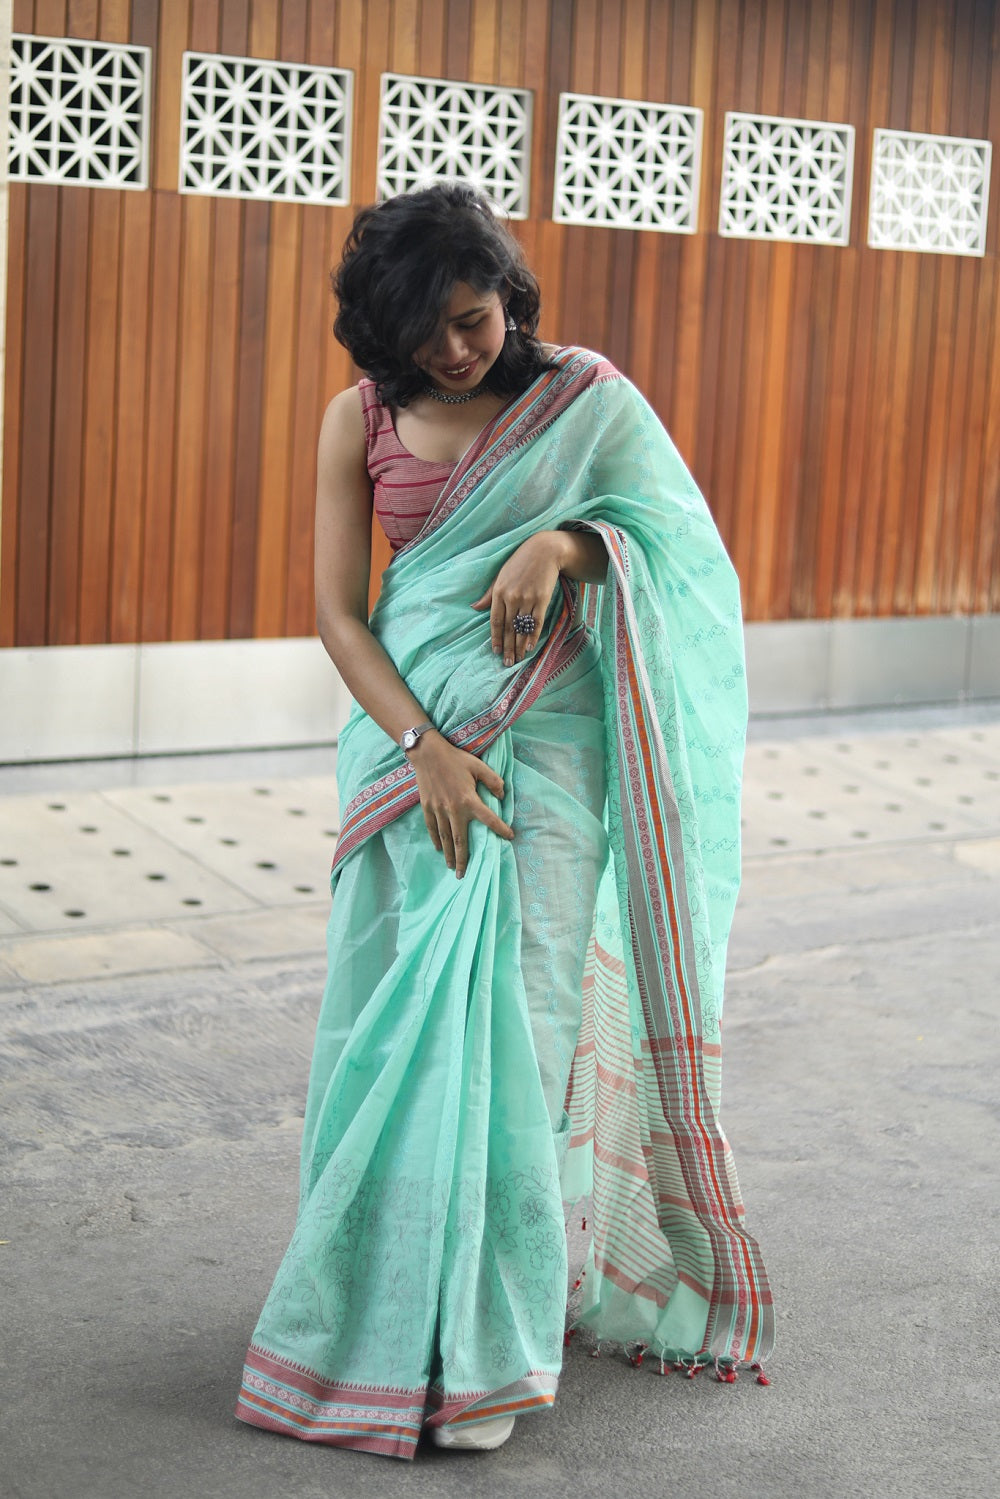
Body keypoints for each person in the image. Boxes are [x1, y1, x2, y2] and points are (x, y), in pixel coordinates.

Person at [235, 184, 774, 1461]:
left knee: (518, 1043)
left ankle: (491, 1336)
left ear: (509, 301)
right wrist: (424, 748)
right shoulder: (353, 420)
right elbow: (339, 614)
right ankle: (387, 1309)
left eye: (474, 322)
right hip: (402, 760)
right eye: (427, 336)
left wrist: (571, 545)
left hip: (550, 756)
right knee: (387, 1031)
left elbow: (683, 553)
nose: (455, 353)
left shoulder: (581, 398)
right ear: (383, 332)